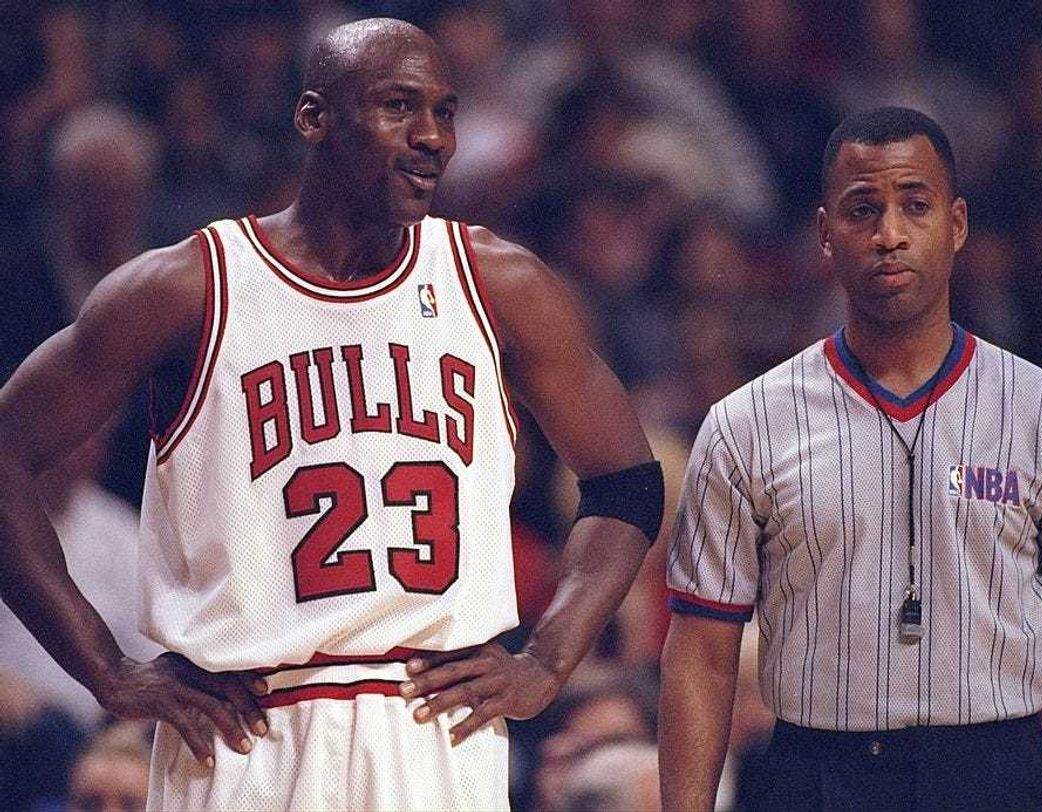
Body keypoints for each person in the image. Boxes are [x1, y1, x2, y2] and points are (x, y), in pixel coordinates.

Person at [0, 17, 662, 811]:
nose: (430, 137)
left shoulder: (498, 283)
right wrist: (107, 669)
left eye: (445, 112)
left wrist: (550, 659)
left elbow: (626, 483)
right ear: (314, 118)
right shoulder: (190, 286)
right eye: (398, 106)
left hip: (435, 730)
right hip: (247, 730)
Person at [659, 107, 1042, 811]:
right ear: (825, 235)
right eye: (863, 210)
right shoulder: (746, 424)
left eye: (914, 205)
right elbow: (702, 652)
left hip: (998, 770)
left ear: (956, 225)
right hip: (815, 772)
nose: (889, 234)